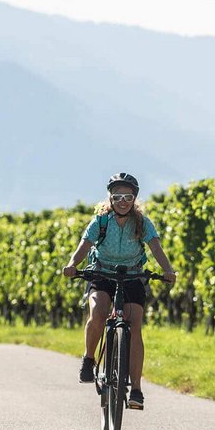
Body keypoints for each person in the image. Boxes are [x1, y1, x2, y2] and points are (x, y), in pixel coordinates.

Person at [62, 173, 176, 409]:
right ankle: (89, 358)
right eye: (117, 197)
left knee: (135, 327)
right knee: (98, 313)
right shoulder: (101, 222)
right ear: (110, 199)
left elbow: (156, 247)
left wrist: (168, 270)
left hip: (133, 276)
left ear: (134, 198)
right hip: (101, 274)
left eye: (128, 196)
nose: (123, 201)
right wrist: (73, 265)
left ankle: (136, 389)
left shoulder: (142, 223)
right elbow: (84, 246)